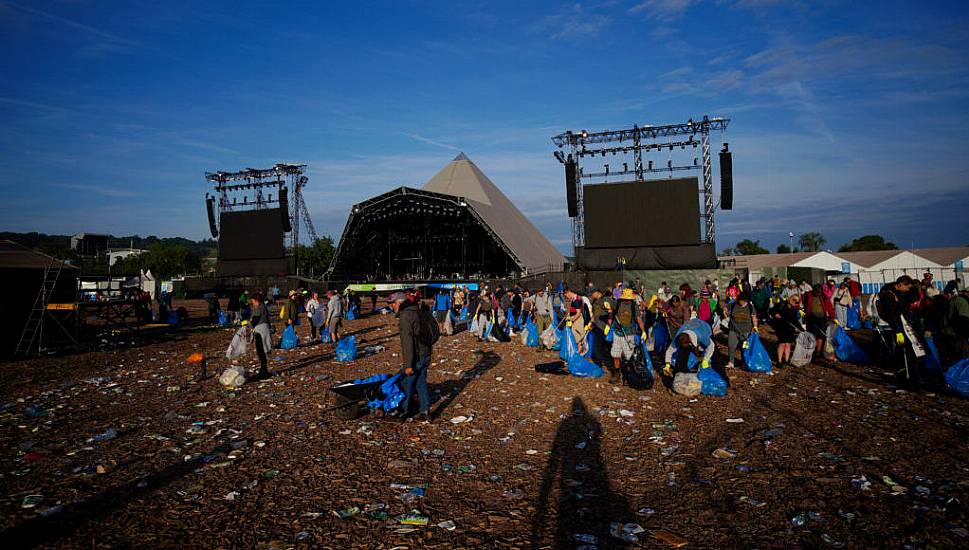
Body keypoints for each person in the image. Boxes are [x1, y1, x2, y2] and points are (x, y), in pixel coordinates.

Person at [389, 292, 432, 423]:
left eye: (393, 303)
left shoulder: (405, 315)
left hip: (416, 356)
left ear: (400, 302)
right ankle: (425, 411)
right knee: (420, 382)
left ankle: (402, 412)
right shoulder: (417, 310)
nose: (391, 306)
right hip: (426, 352)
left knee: (406, 383)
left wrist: (408, 365)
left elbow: (407, 342)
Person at [876, 275, 925, 388]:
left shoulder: (900, 293)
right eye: (907, 287)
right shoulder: (889, 295)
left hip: (905, 325)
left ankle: (912, 378)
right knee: (905, 354)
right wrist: (897, 331)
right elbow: (892, 315)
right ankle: (906, 379)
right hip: (899, 327)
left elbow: (914, 297)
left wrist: (913, 287)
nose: (908, 290)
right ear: (900, 285)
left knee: (910, 353)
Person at [609, 288, 645, 385]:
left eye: (628, 299)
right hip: (618, 331)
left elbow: (638, 319)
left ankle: (628, 374)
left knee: (628, 354)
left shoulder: (634, 306)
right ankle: (617, 374)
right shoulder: (617, 303)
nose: (627, 300)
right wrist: (609, 324)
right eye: (626, 298)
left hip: (630, 332)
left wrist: (643, 331)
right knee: (616, 354)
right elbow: (611, 312)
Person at [724, 293, 759, 370]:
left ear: (746, 300)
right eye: (739, 300)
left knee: (744, 348)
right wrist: (725, 312)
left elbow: (754, 317)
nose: (741, 302)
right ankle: (731, 362)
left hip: (746, 331)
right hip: (733, 329)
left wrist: (755, 326)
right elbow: (725, 308)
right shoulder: (733, 304)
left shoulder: (750, 307)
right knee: (731, 346)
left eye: (742, 301)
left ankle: (744, 362)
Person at [803, 283, 834, 358]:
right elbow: (801, 303)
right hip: (810, 318)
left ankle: (818, 351)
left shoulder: (823, 296)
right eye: (817, 292)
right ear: (814, 290)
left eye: (819, 292)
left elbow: (829, 306)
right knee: (812, 335)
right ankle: (811, 351)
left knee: (821, 335)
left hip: (821, 318)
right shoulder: (807, 295)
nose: (818, 294)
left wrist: (832, 316)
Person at [772, 295, 802, 367]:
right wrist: (775, 314)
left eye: (797, 302)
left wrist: (801, 329)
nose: (796, 303)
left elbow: (795, 320)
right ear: (791, 299)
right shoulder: (781, 304)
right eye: (795, 301)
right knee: (782, 343)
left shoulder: (794, 309)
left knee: (788, 344)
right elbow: (772, 311)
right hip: (780, 327)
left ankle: (786, 360)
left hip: (790, 328)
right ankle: (779, 361)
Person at [249, 293, 273, 379]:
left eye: (253, 301)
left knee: (261, 351)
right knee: (261, 351)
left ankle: (264, 371)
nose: (252, 303)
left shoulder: (260, 308)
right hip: (263, 330)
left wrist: (247, 324)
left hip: (261, 331)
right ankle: (263, 369)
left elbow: (254, 320)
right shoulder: (263, 307)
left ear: (257, 301)